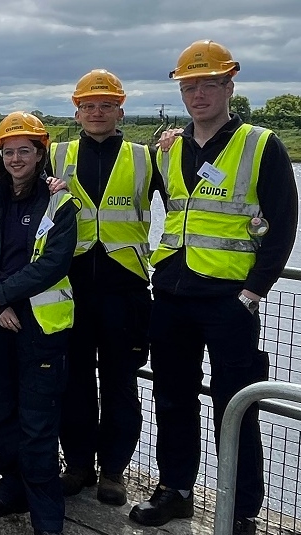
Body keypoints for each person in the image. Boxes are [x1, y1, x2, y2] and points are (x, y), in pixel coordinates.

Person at [129, 40, 297, 535]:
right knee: (173, 396)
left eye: (208, 83)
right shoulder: (172, 148)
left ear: (229, 86)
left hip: (229, 300)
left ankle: (242, 510)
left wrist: (254, 293)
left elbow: (284, 224)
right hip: (174, 296)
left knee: (237, 406)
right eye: (189, 85)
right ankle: (176, 490)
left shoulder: (261, 144)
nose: (198, 94)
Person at [0, 112, 77, 535]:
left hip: (40, 327)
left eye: (23, 151)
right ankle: (10, 488)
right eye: (9, 151)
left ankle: (46, 511)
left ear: (39, 153)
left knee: (38, 418)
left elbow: (54, 261)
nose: (15, 158)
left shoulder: (59, 202)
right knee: (1, 413)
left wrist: (3, 295)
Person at [48, 70, 159, 504]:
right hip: (68, 289)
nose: (97, 112)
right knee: (71, 382)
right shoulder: (55, 155)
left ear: (120, 110)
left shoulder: (147, 157)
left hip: (125, 289)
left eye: (106, 105)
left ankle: (113, 470)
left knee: (120, 384)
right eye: (89, 106)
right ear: (76, 111)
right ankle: (77, 465)